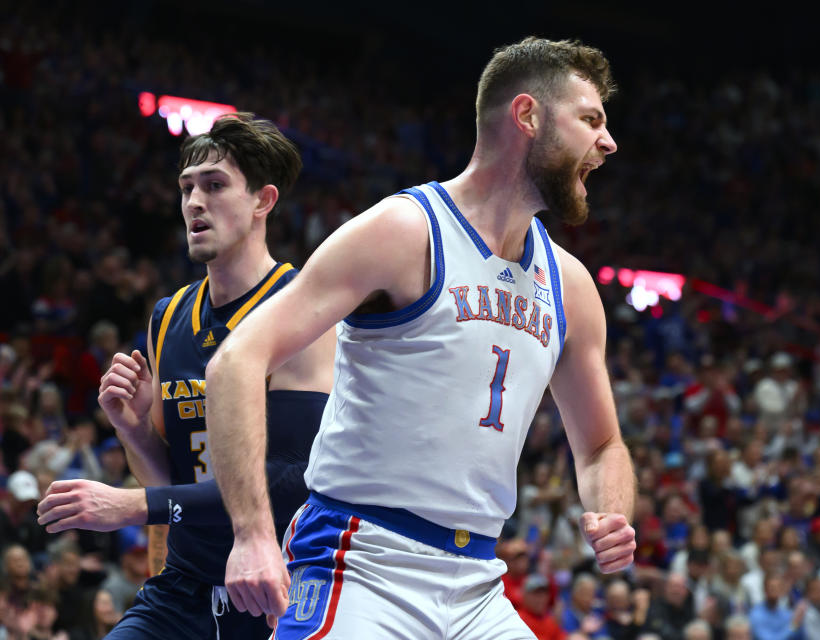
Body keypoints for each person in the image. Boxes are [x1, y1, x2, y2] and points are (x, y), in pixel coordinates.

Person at [204, 37, 637, 638]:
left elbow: (602, 446)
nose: (608, 142)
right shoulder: (406, 229)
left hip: (478, 577)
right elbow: (236, 361)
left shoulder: (571, 286)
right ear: (527, 116)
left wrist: (611, 511)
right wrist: (252, 535)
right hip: (362, 559)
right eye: (591, 119)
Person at [35, 113, 335, 639]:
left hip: (276, 589)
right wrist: (132, 429)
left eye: (215, 186)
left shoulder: (299, 310)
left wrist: (127, 506)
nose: (195, 203)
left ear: (263, 201)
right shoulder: (168, 316)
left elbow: (290, 480)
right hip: (184, 588)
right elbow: (168, 481)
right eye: (187, 188)